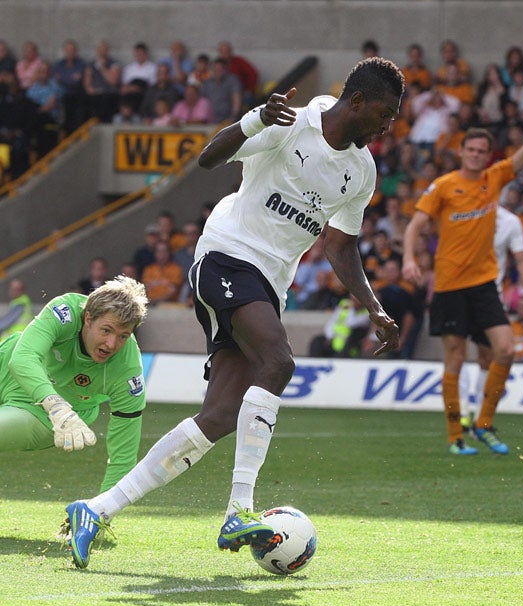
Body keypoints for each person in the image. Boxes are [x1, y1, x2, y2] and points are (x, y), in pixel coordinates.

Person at [64, 56, 404, 569]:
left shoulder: (361, 170)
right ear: (356, 101)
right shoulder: (291, 124)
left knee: (219, 416)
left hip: (269, 284)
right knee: (279, 363)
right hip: (226, 256)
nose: (389, 125)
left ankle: (97, 508)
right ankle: (239, 509)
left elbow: (341, 245)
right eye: (385, 113)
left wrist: (373, 307)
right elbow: (207, 158)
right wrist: (256, 119)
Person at [402, 124, 523, 456]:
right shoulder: (444, 186)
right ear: (462, 151)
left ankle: (484, 423)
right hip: (449, 286)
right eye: (472, 150)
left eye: (482, 151)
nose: (477, 156)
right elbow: (416, 225)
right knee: (456, 357)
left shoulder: (494, 177)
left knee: (504, 350)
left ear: (488, 155)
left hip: (483, 285)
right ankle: (455, 435)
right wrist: (409, 258)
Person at [0, 276, 148, 493]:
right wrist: (56, 405)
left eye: (123, 336)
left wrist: (100, 512)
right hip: (8, 368)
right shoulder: (65, 311)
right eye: (106, 330)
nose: (111, 344)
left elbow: (123, 458)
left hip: (40, 414)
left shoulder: (128, 371)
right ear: (88, 318)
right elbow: (23, 358)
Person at [459, 204, 523, 423]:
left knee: (491, 355)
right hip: (458, 291)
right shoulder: (462, 212)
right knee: (458, 354)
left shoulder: (510, 221)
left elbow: (521, 258)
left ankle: (479, 415)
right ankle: (462, 412)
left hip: (490, 296)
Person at [52, 39, 88, 134]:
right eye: (68, 50)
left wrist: (64, 79)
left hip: (77, 96)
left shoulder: (81, 64)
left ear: (76, 51)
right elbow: (56, 81)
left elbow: (76, 82)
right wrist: (71, 79)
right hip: (62, 96)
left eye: (72, 50)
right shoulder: (58, 65)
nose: (70, 52)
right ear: (64, 51)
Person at [83, 40, 121, 123]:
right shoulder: (91, 65)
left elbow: (113, 81)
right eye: (100, 50)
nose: (102, 52)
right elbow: (87, 83)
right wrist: (92, 90)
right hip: (95, 94)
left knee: (106, 99)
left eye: (104, 50)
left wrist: (102, 67)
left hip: (109, 93)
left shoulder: (114, 64)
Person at [201, 57, 242, 123]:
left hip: (227, 118)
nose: (218, 71)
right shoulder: (207, 83)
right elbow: (202, 102)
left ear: (226, 69)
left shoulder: (233, 80)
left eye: (220, 69)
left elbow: (236, 100)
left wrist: (233, 117)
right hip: (210, 119)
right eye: (215, 69)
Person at [141, 239, 183, 303]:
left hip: (169, 305)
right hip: (150, 305)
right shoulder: (149, 270)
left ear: (169, 253)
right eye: (159, 251)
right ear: (155, 253)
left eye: (164, 251)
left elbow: (174, 290)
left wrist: (160, 300)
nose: (161, 254)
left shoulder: (176, 269)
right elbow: (146, 289)